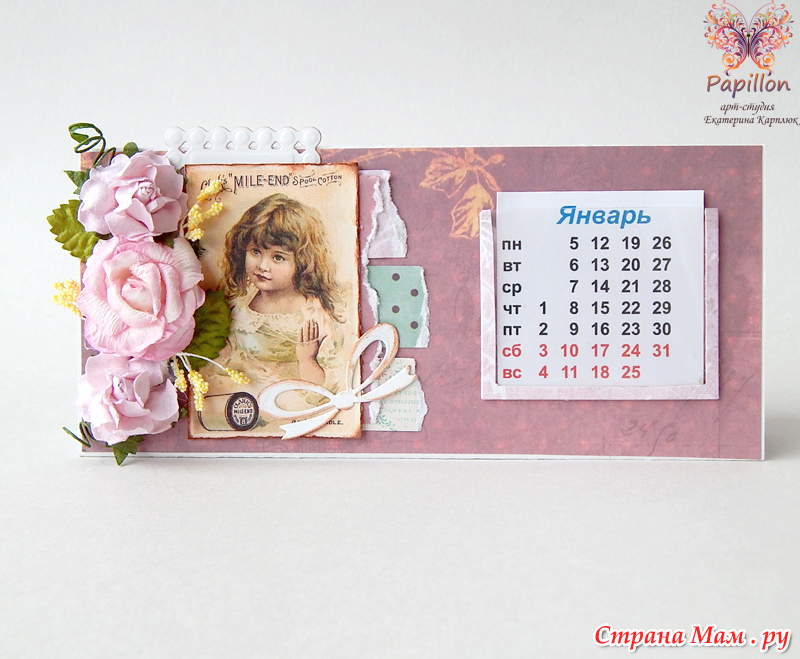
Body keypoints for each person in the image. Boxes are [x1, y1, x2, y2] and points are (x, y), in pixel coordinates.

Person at [202, 194, 347, 429]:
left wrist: (306, 359)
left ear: (303, 263)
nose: (262, 266)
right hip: (240, 396)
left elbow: (328, 389)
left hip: (288, 405)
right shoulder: (239, 303)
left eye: (278, 257)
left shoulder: (312, 318)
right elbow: (225, 357)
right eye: (255, 251)